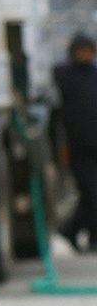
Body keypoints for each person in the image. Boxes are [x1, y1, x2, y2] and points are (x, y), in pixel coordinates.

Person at [55, 33, 97, 251]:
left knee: (90, 194)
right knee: (90, 191)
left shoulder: (93, 76)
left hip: (93, 145)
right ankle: (91, 236)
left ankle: (71, 229)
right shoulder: (64, 77)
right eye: (81, 51)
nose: (85, 55)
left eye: (88, 50)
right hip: (77, 147)